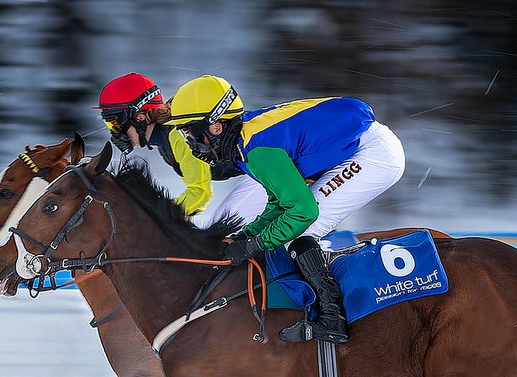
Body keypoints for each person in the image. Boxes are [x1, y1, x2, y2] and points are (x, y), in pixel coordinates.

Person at [169, 75, 406, 345]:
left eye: (190, 132)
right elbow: (278, 202)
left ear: (216, 127)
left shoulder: (257, 151)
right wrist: (246, 235)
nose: (190, 143)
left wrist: (252, 246)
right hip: (368, 145)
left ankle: (332, 319)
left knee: (300, 230)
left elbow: (303, 212)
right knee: (288, 227)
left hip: (374, 154)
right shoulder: (245, 141)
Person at [96, 72, 259, 219]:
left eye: (114, 125)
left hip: (261, 171)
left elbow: (200, 194)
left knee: (224, 228)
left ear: (139, 118)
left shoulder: (177, 136)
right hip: (256, 171)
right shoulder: (167, 137)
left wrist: (155, 219)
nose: (114, 134)